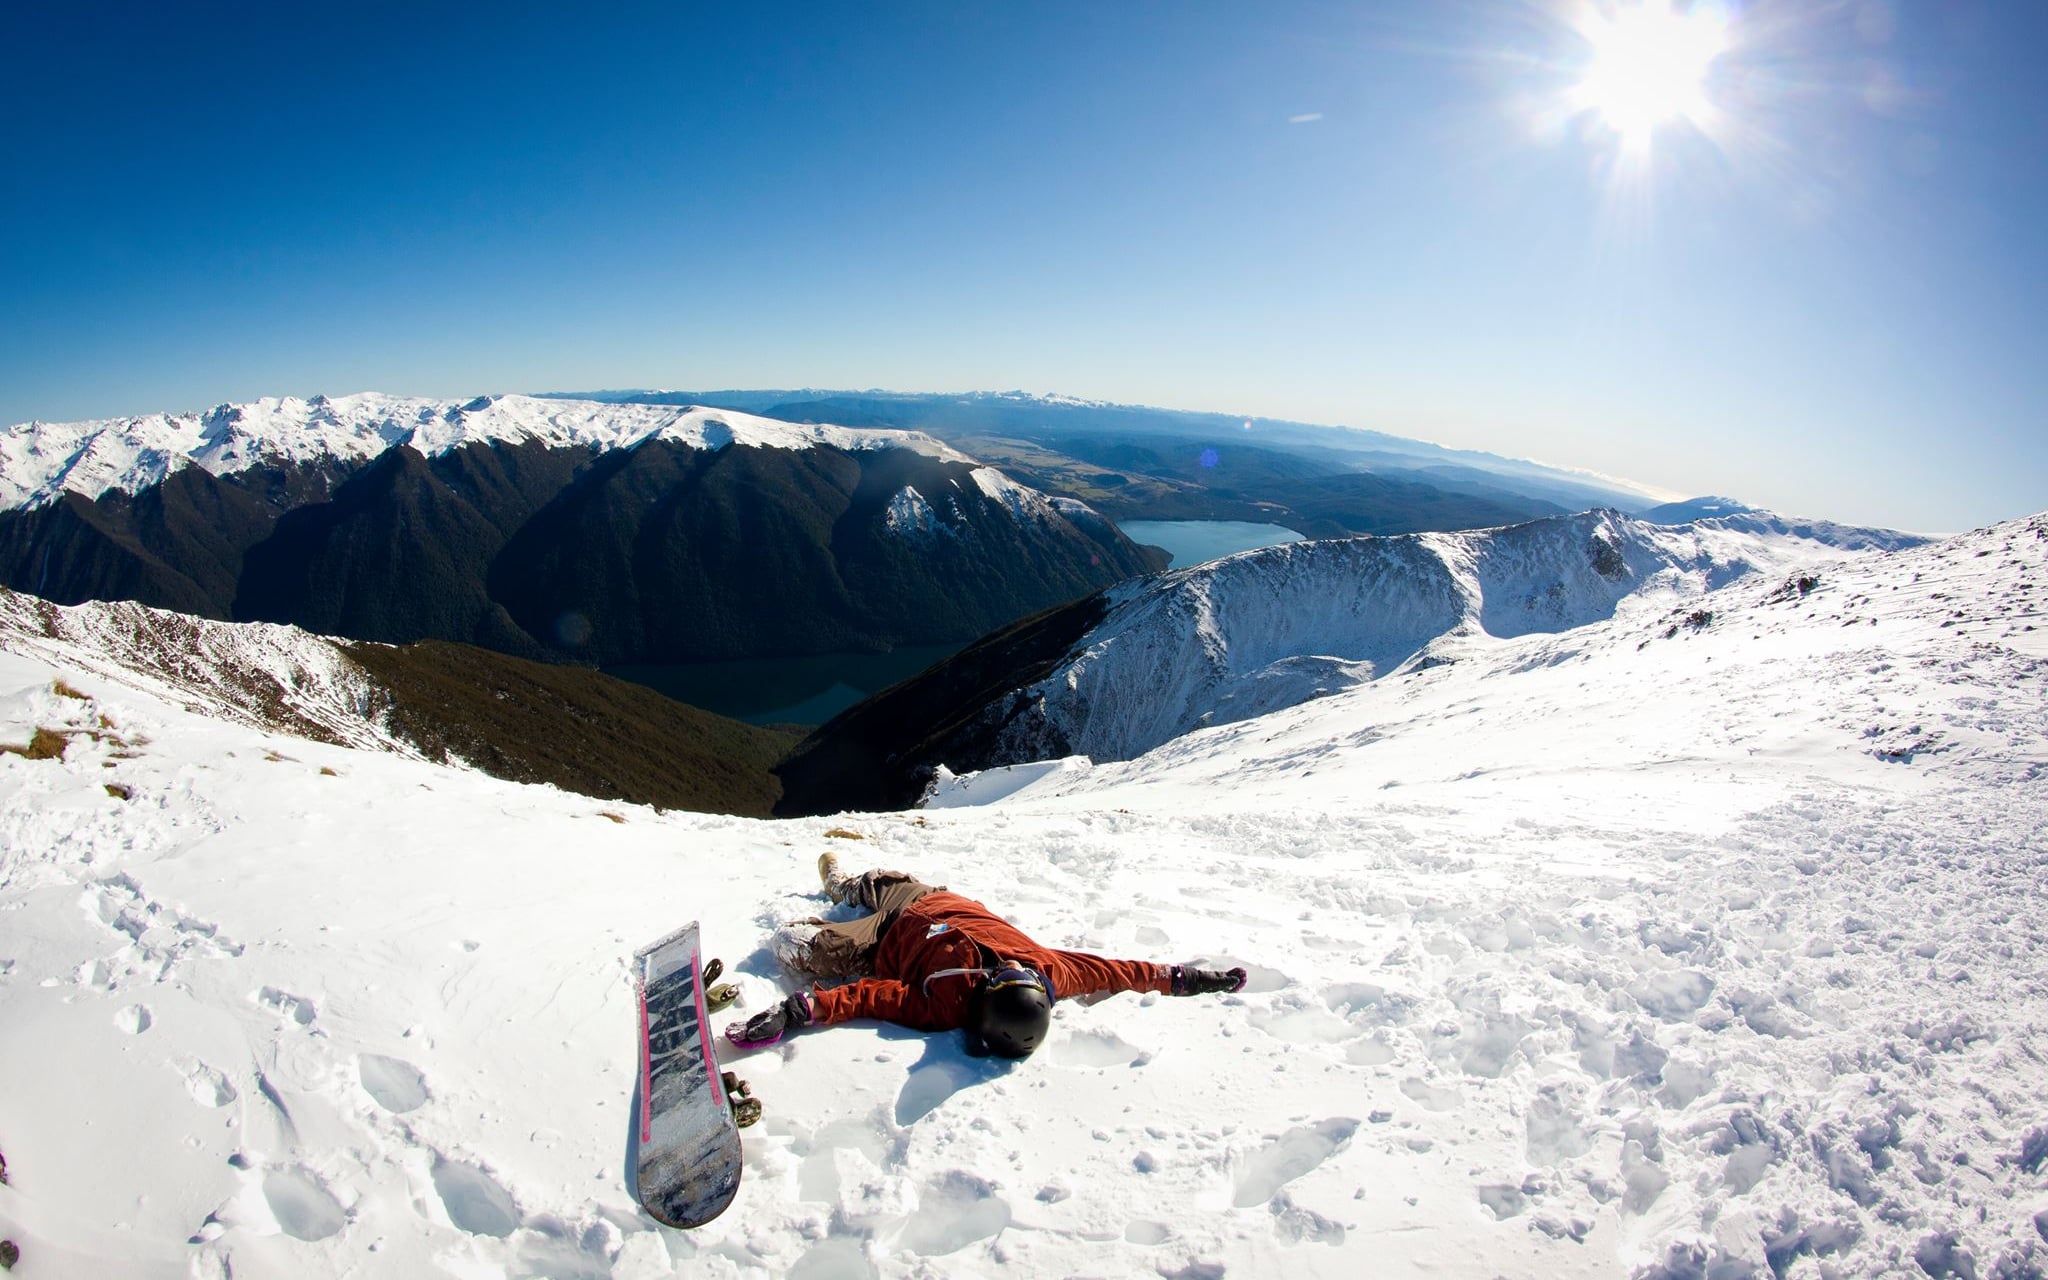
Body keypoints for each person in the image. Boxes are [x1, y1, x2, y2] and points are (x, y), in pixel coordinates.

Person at [725, 854, 1247, 1058]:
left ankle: (833, 912)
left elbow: (871, 995)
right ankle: (845, 884)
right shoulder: (1053, 972)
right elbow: (1125, 973)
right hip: (932, 899)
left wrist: (800, 1010)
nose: (1017, 966)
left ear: (988, 997)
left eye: (1007, 977)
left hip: (881, 944)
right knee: (882, 881)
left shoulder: (946, 1004)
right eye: (1024, 975)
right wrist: (1194, 979)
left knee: (794, 945)